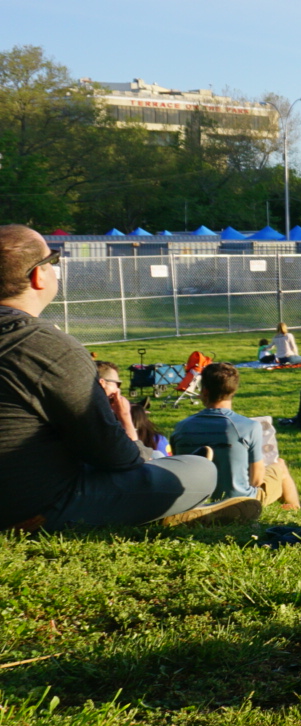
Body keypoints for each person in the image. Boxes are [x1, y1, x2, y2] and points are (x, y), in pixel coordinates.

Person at [0, 226, 225, 530]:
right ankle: (163, 503)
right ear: (38, 276)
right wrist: (138, 447)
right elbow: (109, 454)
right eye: (52, 261)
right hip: (31, 506)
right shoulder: (46, 347)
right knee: (200, 471)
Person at [171, 363, 300, 511]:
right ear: (233, 390)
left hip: (193, 503)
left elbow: (179, 468)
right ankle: (294, 509)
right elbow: (256, 480)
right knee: (280, 466)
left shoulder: (182, 427)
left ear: (204, 392)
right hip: (239, 501)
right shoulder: (248, 426)